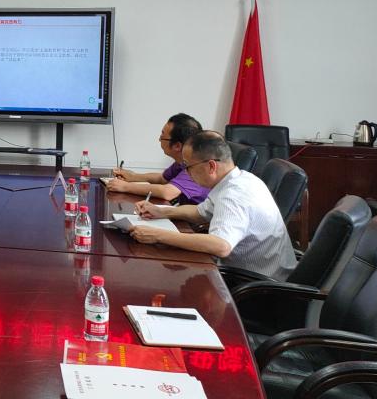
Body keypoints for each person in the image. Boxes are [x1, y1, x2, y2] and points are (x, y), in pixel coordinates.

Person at [129, 131, 296, 280]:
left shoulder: (234, 194)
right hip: (245, 273)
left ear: (211, 166)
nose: (186, 173)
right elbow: (199, 212)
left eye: (188, 166)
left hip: (258, 286)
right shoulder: (237, 179)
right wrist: (162, 211)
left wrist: (158, 235)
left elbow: (221, 245)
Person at [106, 113, 208, 204]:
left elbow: (167, 192)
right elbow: (162, 179)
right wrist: (133, 176)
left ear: (177, 146)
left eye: (163, 136)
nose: (159, 139)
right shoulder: (182, 162)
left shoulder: (197, 167)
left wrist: (125, 187)